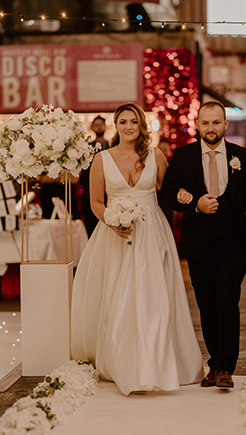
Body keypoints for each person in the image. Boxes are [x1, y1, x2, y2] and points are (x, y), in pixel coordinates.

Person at [70, 103, 202, 395]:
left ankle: (156, 362)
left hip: (152, 232)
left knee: (154, 297)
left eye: (133, 121)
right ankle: (121, 361)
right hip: (115, 235)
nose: (128, 126)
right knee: (119, 296)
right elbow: (95, 203)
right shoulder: (101, 159)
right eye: (123, 122)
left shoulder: (154, 155)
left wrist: (183, 194)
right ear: (116, 126)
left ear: (142, 125)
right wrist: (113, 222)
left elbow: (167, 191)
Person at [158, 101, 246, 388]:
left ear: (225, 125)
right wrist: (194, 204)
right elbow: (166, 195)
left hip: (234, 243)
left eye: (216, 123)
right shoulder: (183, 156)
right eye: (205, 123)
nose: (211, 128)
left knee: (226, 301)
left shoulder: (241, 155)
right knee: (207, 305)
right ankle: (215, 363)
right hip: (199, 244)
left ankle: (226, 368)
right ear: (198, 125)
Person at [76, 115, 108, 236]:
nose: (99, 127)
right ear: (92, 128)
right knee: (91, 228)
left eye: (101, 124)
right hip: (90, 193)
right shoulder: (86, 148)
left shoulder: (113, 146)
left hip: (109, 194)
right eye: (96, 125)